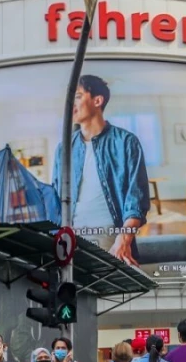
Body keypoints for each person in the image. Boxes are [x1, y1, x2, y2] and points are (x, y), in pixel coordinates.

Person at [52, 74, 150, 266]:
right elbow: (56, 200)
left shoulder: (126, 143)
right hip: (70, 244)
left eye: (78, 96)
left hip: (113, 244)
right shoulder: (63, 149)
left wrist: (124, 240)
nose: (70, 103)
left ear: (97, 100)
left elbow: (136, 201)